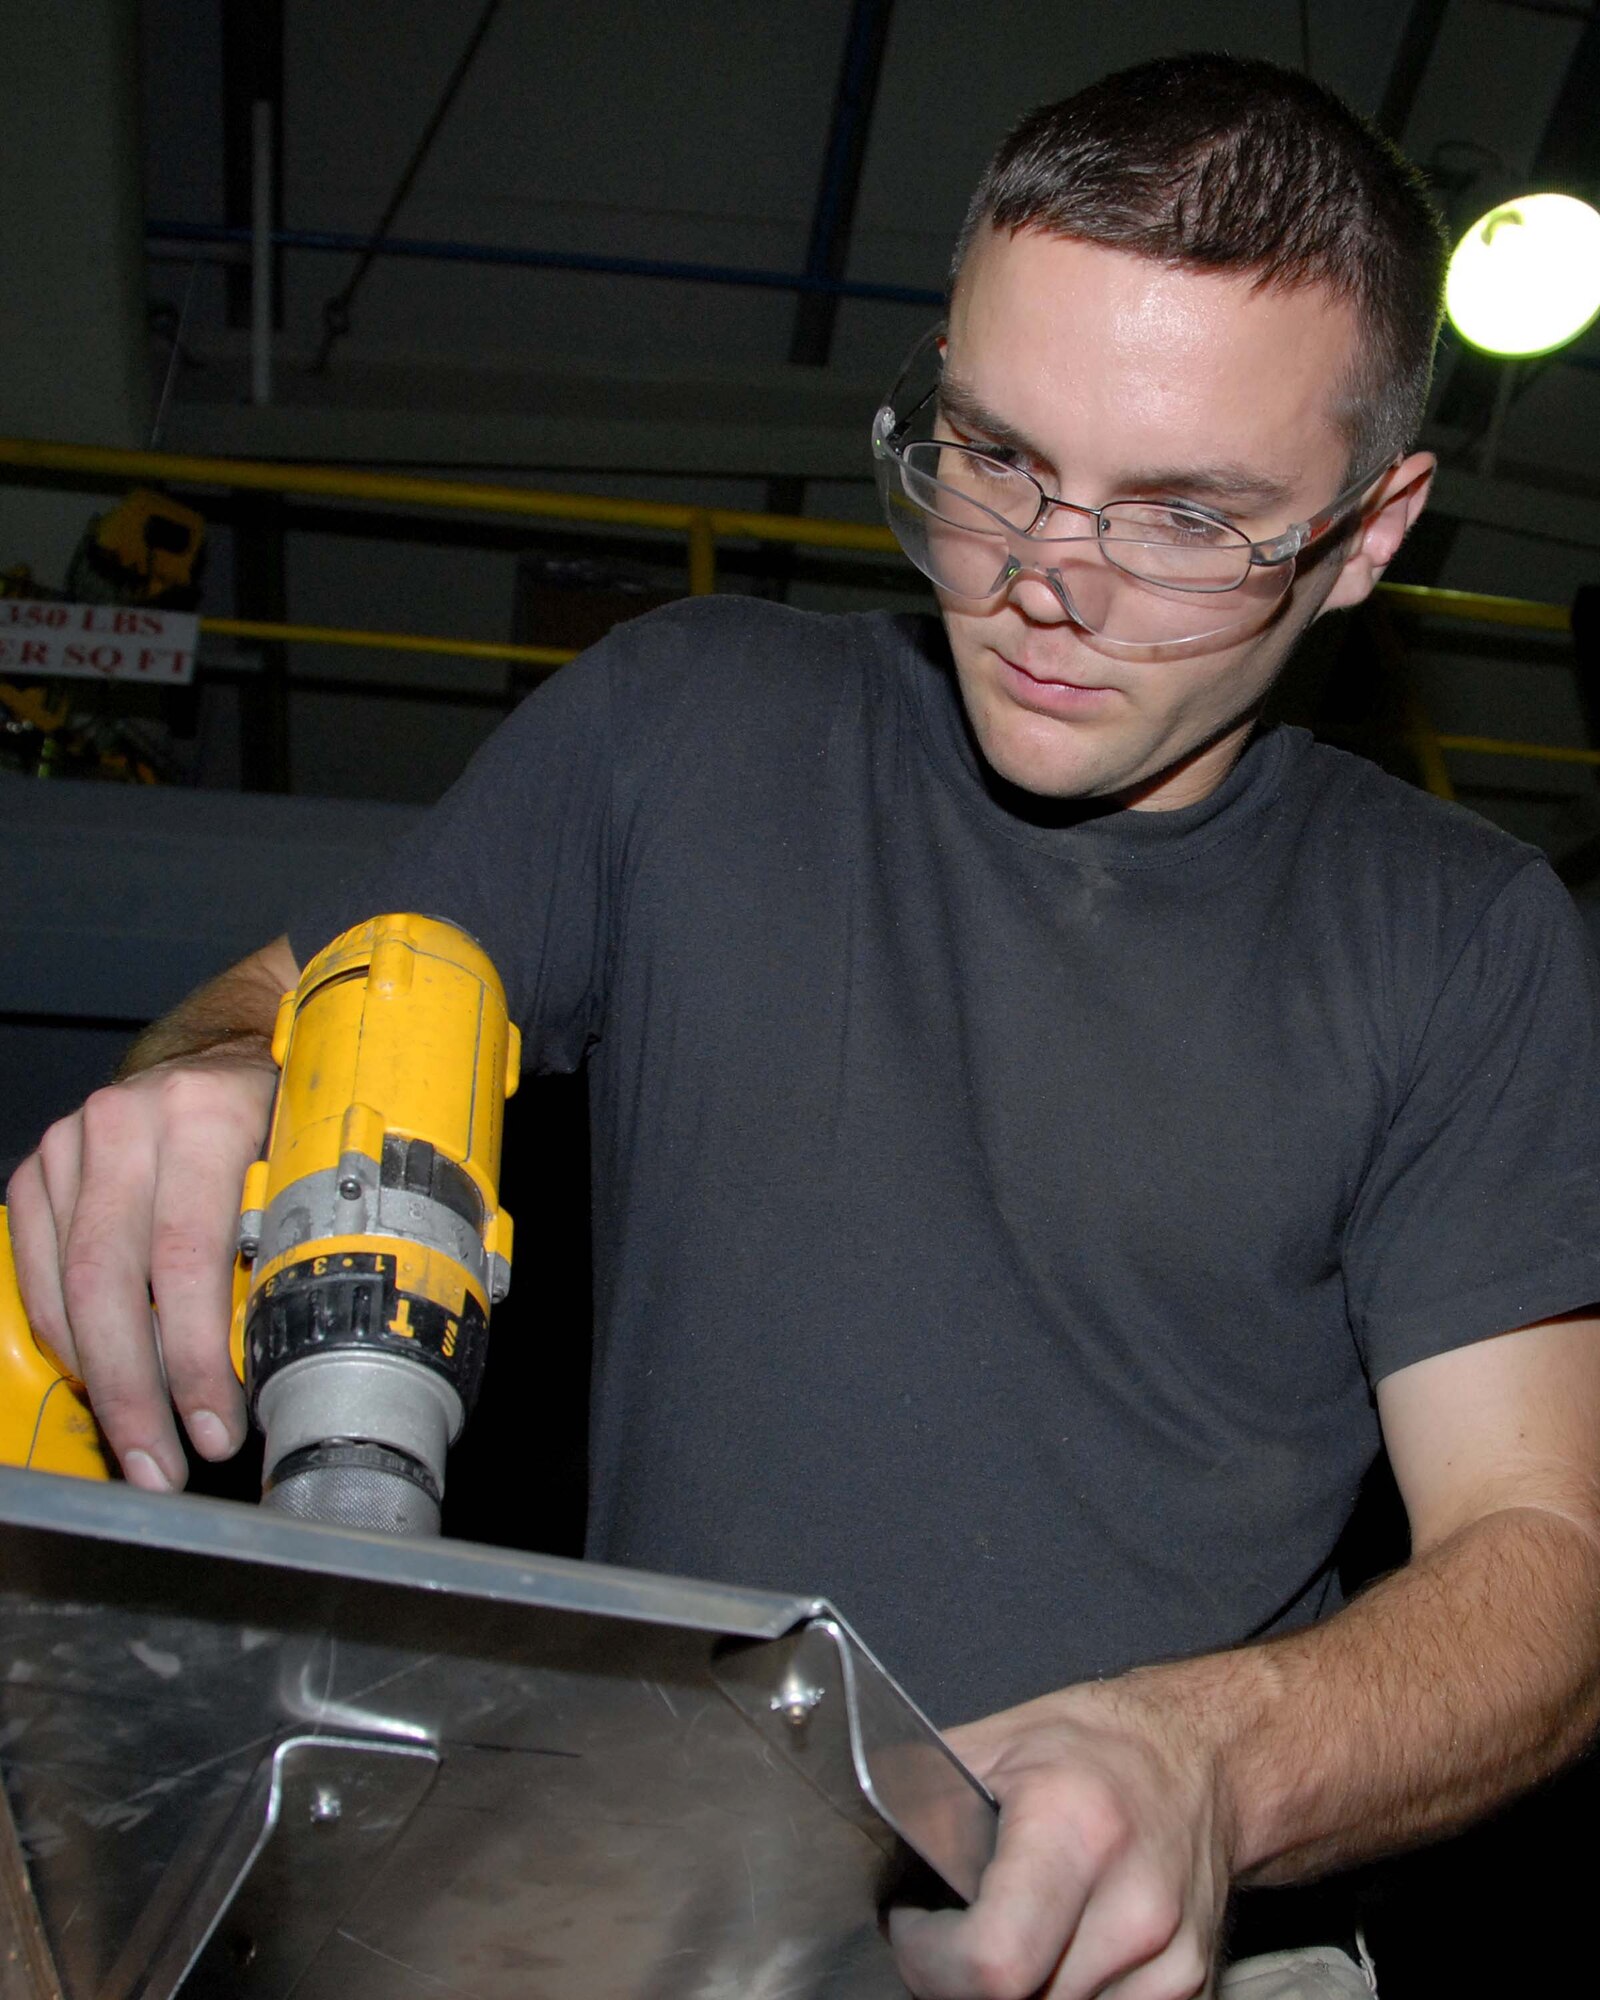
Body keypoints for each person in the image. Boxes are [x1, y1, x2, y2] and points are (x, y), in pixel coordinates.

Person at [10, 52, 1600, 2000]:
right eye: (992, 452)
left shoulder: (1457, 939)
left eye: (1184, 517)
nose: (1037, 580)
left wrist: (1213, 1754)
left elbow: (1538, 1573)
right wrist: (218, 1084)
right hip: (632, 1924)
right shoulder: (681, 723)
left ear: (1366, 532)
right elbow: (289, 993)